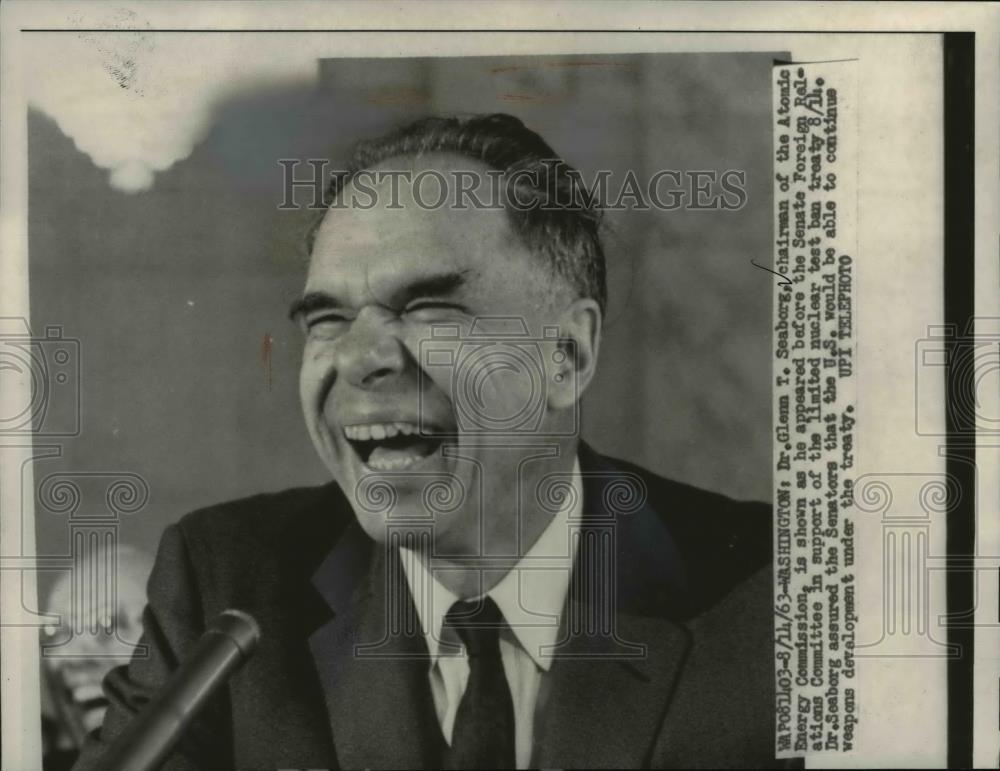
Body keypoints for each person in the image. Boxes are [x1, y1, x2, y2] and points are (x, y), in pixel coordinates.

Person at [75, 113, 784, 769]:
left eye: (428, 306)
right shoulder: (224, 586)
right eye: (326, 319)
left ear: (566, 353)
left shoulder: (771, 600)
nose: (359, 358)